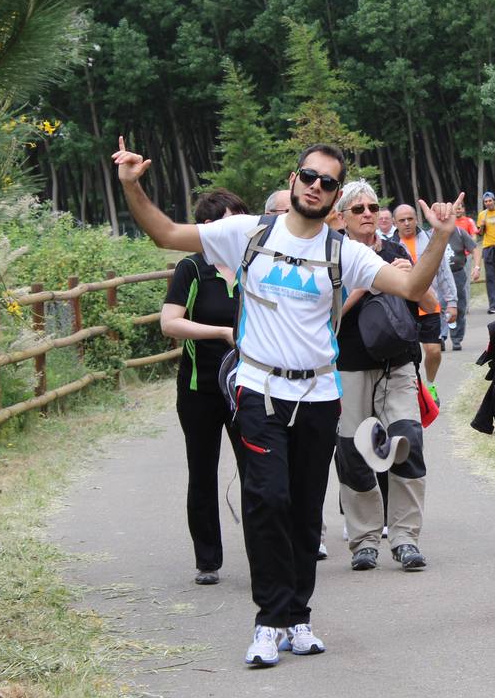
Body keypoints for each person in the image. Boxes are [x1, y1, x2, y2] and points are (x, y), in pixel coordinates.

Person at [112, 138, 459, 667]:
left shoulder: (345, 252)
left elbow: (413, 283)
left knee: (301, 508)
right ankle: (268, 620)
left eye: (328, 183)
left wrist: (439, 238)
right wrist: (132, 184)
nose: (315, 186)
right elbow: (165, 233)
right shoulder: (246, 233)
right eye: (308, 176)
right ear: (294, 180)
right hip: (260, 390)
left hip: (319, 394)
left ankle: (298, 616)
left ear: (336, 197)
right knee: (266, 499)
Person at [333, 182, 430, 571]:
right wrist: (373, 279)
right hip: (348, 366)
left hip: (398, 363)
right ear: (341, 216)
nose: (368, 214)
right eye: (358, 209)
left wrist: (412, 279)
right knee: (353, 453)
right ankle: (364, 540)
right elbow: (328, 315)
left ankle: (405, 537)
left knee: (407, 442)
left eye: (373, 206)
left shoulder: (394, 250)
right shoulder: (331, 254)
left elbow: (426, 301)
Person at [159, 189, 247, 587]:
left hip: (249, 388)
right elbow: (170, 323)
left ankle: (267, 553)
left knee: (258, 473)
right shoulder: (192, 269)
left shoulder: (255, 267)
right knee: (203, 470)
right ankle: (207, 560)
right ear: (209, 229)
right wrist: (221, 332)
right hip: (199, 389)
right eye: (231, 222)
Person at [393, 203, 456, 395]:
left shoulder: (429, 239)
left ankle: (430, 384)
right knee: (408, 356)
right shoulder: (389, 245)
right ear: (395, 223)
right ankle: (412, 388)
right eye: (402, 220)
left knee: (433, 351)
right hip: (403, 308)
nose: (406, 223)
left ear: (417, 219)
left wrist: (452, 302)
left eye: (410, 219)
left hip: (429, 305)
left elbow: (443, 271)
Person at [445, 200, 479, 351]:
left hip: (458, 274)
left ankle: (457, 338)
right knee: (439, 306)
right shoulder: (433, 234)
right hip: (440, 276)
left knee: (459, 307)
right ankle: (440, 336)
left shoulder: (460, 232)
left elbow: (475, 249)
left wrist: (477, 267)